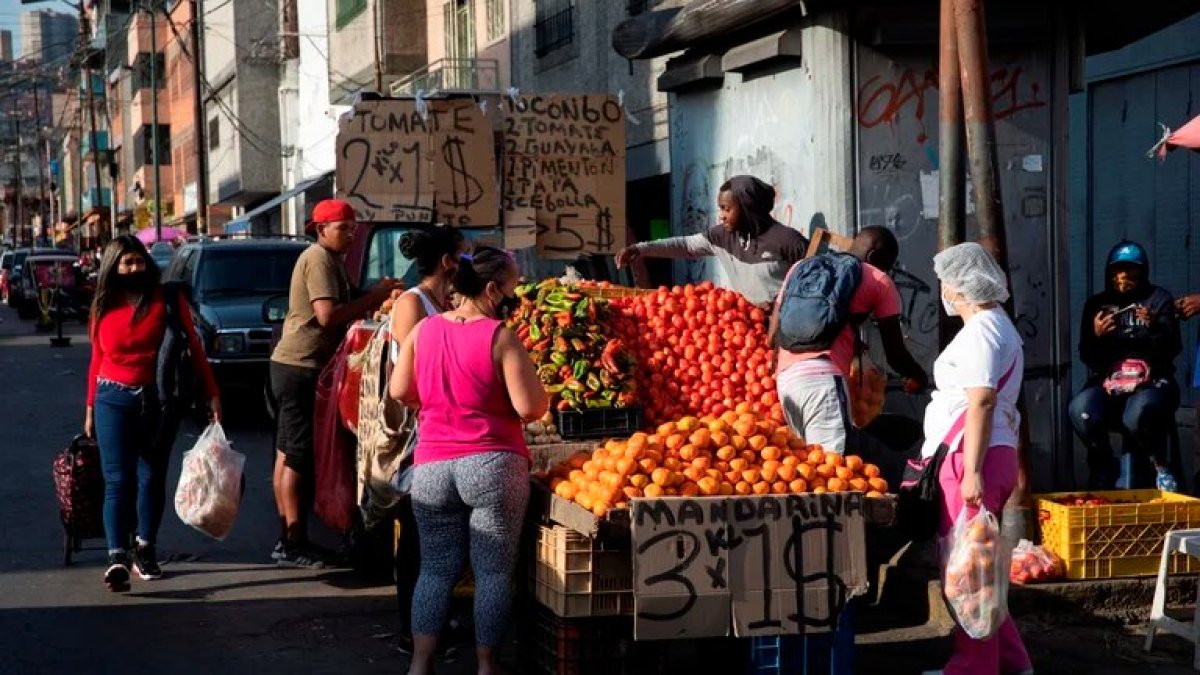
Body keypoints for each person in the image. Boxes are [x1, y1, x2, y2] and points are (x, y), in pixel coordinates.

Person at [388, 246, 548, 675]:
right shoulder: (500, 336)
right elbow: (530, 407)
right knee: (493, 571)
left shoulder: (423, 330)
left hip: (432, 466)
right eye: (512, 288)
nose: (515, 297)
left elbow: (400, 391)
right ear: (493, 290)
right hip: (492, 464)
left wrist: (437, 401)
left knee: (435, 569)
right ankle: (486, 665)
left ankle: (420, 663)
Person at [84, 234, 221, 591]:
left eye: (139, 261)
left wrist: (212, 394)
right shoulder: (103, 304)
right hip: (111, 398)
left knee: (151, 477)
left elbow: (195, 348)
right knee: (118, 480)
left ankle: (144, 548)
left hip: (156, 400)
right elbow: (96, 359)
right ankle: (116, 556)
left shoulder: (167, 299)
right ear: (113, 266)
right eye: (126, 263)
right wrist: (89, 407)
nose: (134, 268)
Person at [269, 199, 401, 568]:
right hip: (299, 367)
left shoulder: (331, 260)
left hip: (294, 366)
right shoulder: (318, 259)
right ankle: (292, 543)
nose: (350, 234)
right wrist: (377, 296)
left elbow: (350, 299)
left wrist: (381, 292)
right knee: (296, 455)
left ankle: (288, 540)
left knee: (286, 452)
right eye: (343, 228)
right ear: (321, 229)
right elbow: (327, 316)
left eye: (353, 228)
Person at [922, 242, 1031, 675]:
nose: (943, 290)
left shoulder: (983, 330)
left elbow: (982, 400)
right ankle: (1012, 660)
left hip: (973, 457)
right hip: (983, 453)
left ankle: (974, 667)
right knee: (979, 564)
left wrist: (970, 471)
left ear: (961, 285)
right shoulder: (997, 325)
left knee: (968, 573)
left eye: (945, 281)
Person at [771, 226, 927, 453]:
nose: (887, 271)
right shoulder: (878, 280)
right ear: (873, 256)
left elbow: (772, 336)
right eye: (887, 265)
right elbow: (895, 354)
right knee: (832, 466)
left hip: (786, 381)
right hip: (823, 382)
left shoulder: (802, 267)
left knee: (806, 464)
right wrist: (918, 376)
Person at [388, 224, 465, 656]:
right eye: (463, 254)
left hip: (444, 428)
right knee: (418, 539)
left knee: (441, 538)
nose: (467, 262)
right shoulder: (411, 303)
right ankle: (410, 628)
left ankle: (436, 621)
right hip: (417, 432)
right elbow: (413, 372)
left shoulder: (445, 302)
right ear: (448, 261)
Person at [1069, 241, 1181, 490]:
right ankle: (1103, 462)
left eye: (1131, 270)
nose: (1124, 277)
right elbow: (1088, 357)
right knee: (1081, 409)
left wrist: (1154, 328)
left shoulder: (1158, 299)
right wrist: (1097, 336)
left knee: (1138, 413)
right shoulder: (1097, 305)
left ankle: (1160, 464)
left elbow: (1172, 350)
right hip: (1112, 379)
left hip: (1152, 379)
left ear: (1143, 271)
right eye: (1118, 271)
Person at [614, 175, 807, 306]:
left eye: (727, 209)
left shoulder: (789, 241)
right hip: (748, 329)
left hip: (786, 330)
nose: (721, 216)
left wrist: (781, 305)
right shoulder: (721, 236)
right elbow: (686, 246)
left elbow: (814, 285)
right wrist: (639, 249)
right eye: (720, 208)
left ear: (747, 208)